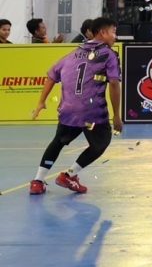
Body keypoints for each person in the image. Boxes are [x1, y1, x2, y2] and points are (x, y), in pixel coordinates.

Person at [29, 17, 123, 195]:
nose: (115, 36)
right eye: (114, 32)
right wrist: (116, 115)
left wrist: (41, 101)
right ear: (103, 33)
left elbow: (51, 75)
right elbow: (113, 84)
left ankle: (37, 181)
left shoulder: (73, 53)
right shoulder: (109, 55)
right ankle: (69, 176)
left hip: (69, 111)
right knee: (100, 143)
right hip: (92, 113)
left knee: (58, 142)